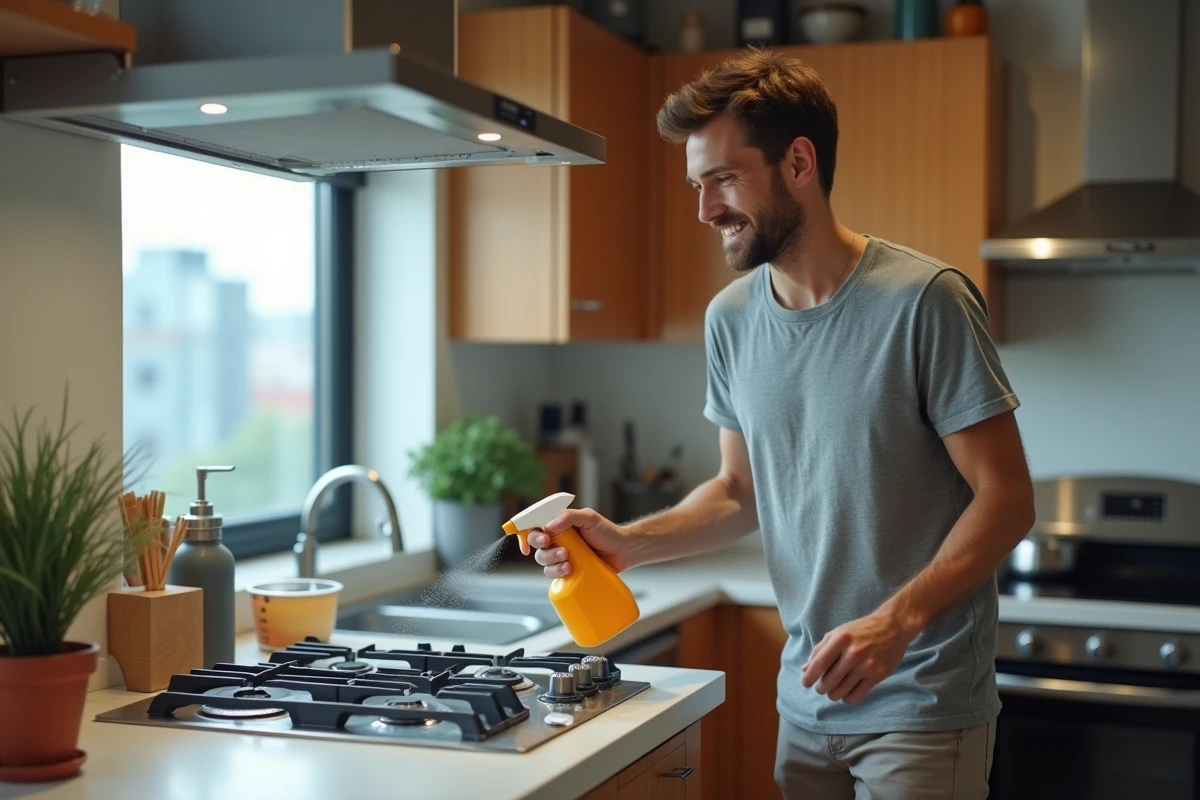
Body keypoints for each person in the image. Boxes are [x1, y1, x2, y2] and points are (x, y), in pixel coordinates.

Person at [522, 48, 1035, 799]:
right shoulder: (731, 319)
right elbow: (739, 491)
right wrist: (629, 544)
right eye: (698, 185)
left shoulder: (925, 302)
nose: (705, 210)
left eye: (724, 180)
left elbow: (1007, 498)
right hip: (805, 703)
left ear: (799, 163)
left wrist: (893, 623)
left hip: (920, 705)